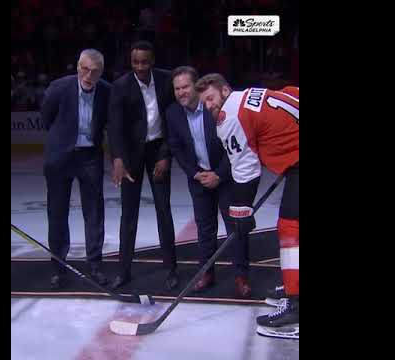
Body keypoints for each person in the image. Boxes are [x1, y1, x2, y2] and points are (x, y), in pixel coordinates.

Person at [195, 73, 299, 331]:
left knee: (290, 229)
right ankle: (293, 286)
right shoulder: (251, 93)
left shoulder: (229, 117)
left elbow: (245, 169)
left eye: (210, 98)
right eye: (204, 104)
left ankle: (296, 304)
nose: (209, 107)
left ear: (225, 90)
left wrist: (240, 213)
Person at [166, 66, 253, 297]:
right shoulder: (173, 113)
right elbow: (176, 147)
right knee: (205, 230)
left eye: (185, 87)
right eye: (177, 88)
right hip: (199, 179)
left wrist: (219, 175)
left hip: (225, 177)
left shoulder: (214, 108)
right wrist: (195, 173)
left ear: (195, 87)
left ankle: (241, 276)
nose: (181, 92)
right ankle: (206, 273)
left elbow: (232, 146)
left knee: (235, 228)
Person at [107, 40, 179, 290]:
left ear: (153, 61)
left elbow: (173, 121)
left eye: (145, 62)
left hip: (158, 150)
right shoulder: (120, 86)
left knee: (163, 210)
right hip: (131, 156)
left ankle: (171, 269)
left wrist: (166, 155)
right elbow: (114, 127)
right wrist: (118, 159)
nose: (140, 66)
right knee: (129, 215)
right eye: (135, 62)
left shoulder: (166, 80)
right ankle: (123, 271)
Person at [41, 49, 112, 289]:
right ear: (77, 66)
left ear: (101, 72)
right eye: (85, 68)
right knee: (57, 213)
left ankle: (95, 265)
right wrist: (62, 142)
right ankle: (59, 268)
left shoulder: (106, 91)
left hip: (90, 156)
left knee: (94, 213)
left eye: (94, 71)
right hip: (60, 157)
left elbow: (108, 125)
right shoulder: (58, 88)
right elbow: (46, 118)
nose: (88, 75)